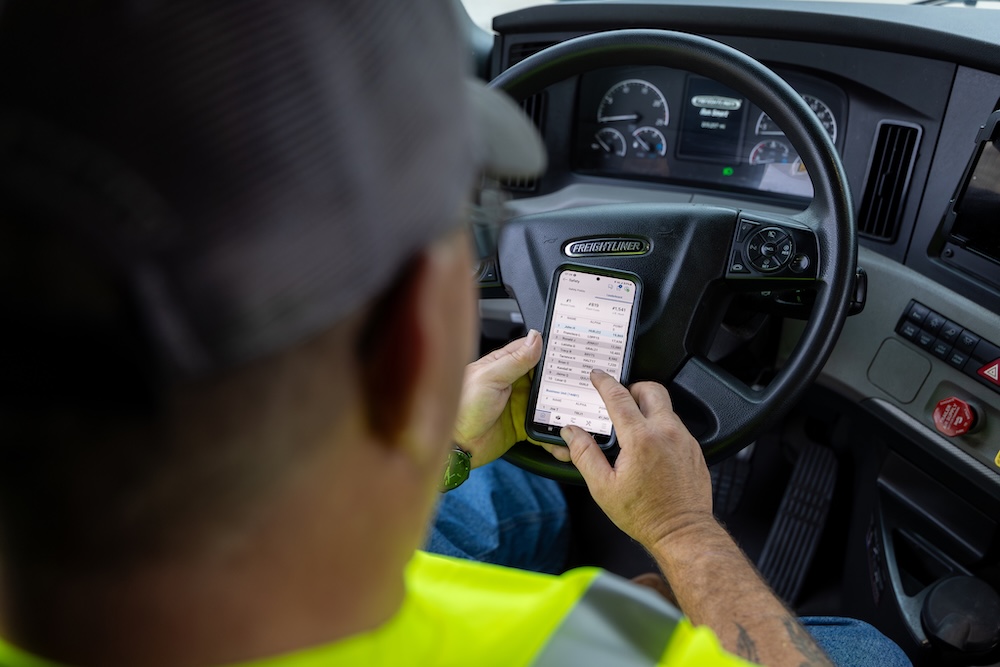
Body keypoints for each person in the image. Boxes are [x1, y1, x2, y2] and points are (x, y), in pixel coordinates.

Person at [0, 0, 910, 665]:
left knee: (528, 500)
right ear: (413, 356)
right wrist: (680, 531)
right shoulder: (570, 650)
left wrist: (446, 453)